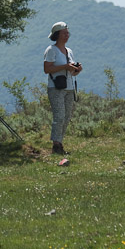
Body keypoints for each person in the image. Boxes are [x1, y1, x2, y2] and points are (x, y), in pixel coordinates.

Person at [43, 21, 82, 155]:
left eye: (67, 33)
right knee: (59, 116)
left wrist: (77, 69)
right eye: (64, 33)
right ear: (57, 35)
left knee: (66, 117)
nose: (67, 35)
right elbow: (47, 69)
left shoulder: (69, 51)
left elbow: (71, 72)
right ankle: (56, 145)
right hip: (56, 87)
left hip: (69, 87)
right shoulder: (51, 50)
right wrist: (65, 67)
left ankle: (59, 143)